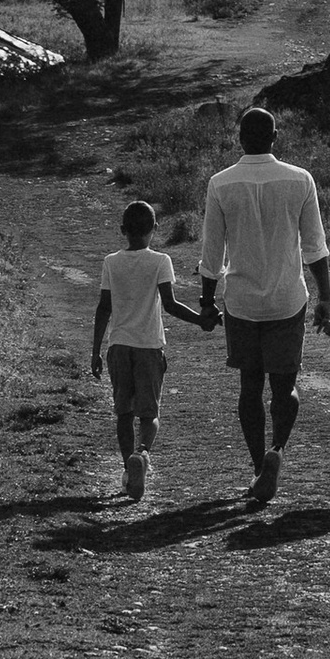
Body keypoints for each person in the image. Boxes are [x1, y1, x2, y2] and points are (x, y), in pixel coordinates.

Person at [196, 103, 330, 503]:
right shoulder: (300, 180)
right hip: (287, 300)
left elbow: (211, 254)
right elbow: (315, 247)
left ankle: (259, 467)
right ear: (275, 138)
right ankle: (277, 450)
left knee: (249, 388)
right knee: (285, 388)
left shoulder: (221, 183)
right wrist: (325, 297)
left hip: (241, 302)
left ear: (240, 138)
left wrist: (207, 303)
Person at [90, 197, 206, 500]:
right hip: (149, 347)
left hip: (118, 346)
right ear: (155, 228)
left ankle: (128, 471)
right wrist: (201, 320)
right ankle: (142, 453)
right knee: (149, 413)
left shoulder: (110, 262)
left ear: (122, 230)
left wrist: (95, 351)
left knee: (123, 414)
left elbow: (104, 308)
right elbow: (170, 304)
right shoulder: (160, 261)